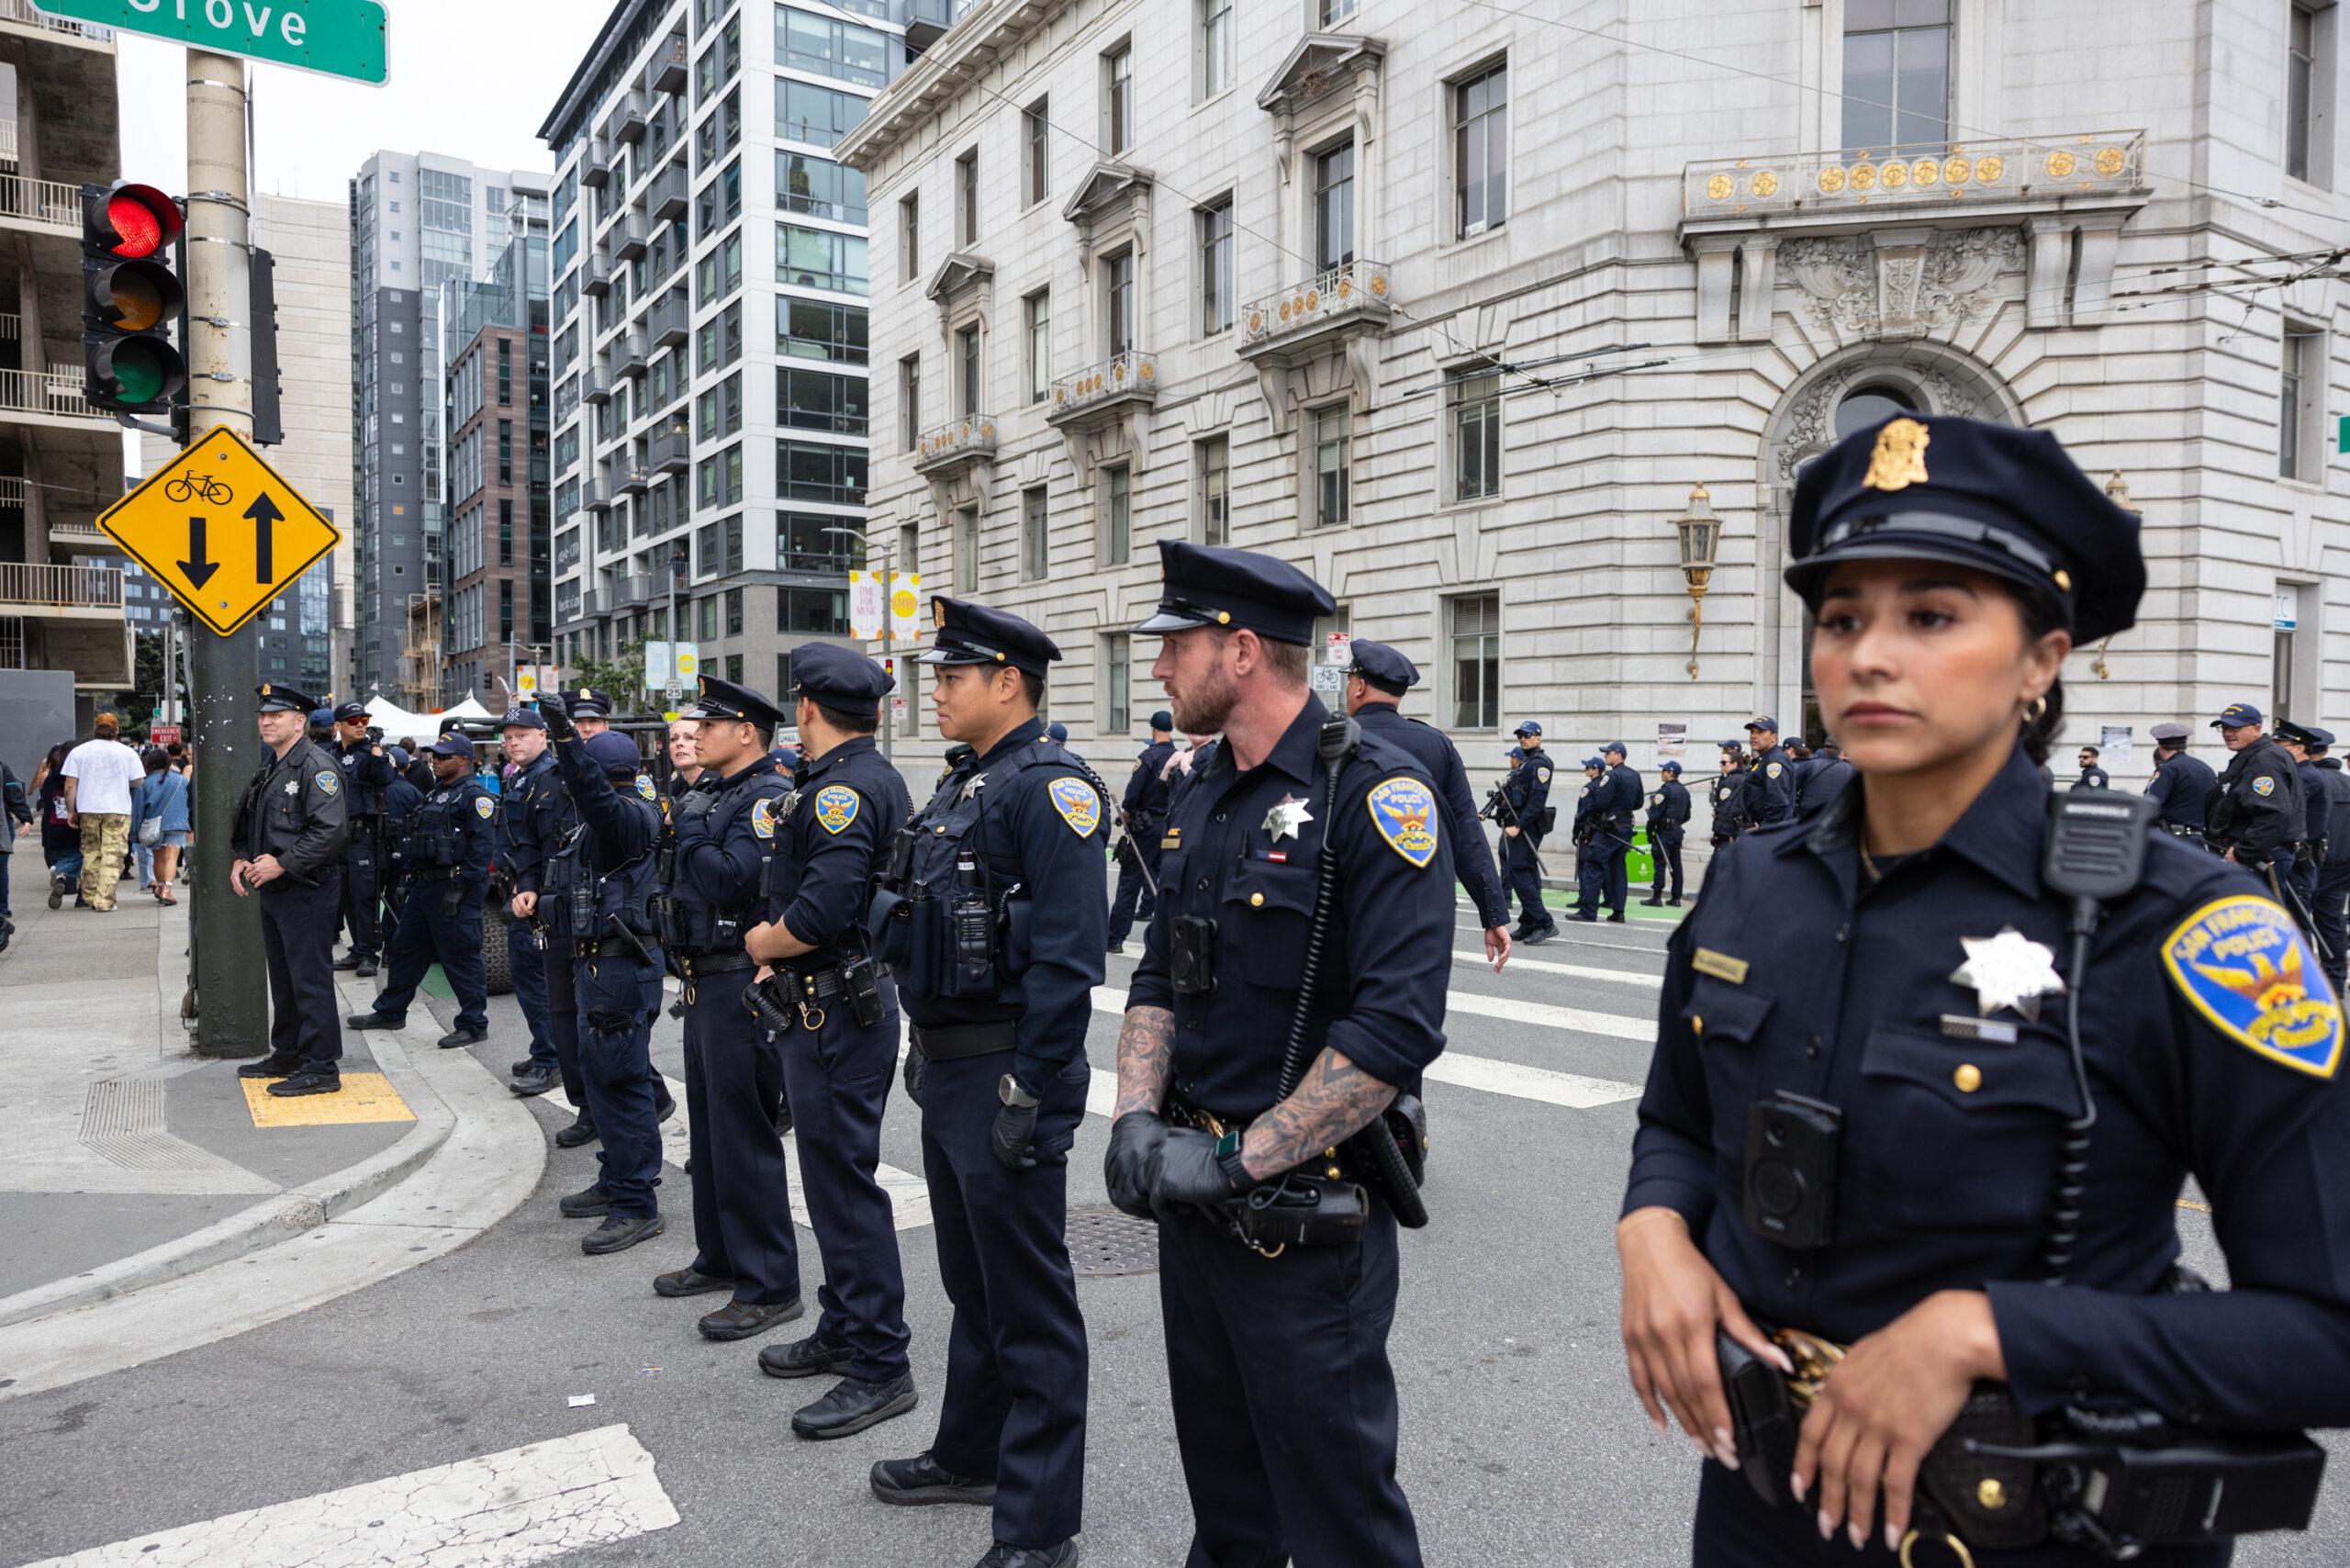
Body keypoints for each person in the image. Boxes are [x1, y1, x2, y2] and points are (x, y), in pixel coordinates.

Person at [1617, 411, 2350, 1567]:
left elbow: (2325, 1330)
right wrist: (1652, 1227)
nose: (1866, 653)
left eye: (1931, 615)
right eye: (1842, 616)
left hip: (2026, 1532)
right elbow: (1675, 1115)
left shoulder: (2189, 926)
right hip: (1761, 1513)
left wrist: (1994, 1330)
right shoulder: (1750, 884)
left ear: (2041, 659)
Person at [1104, 539, 1452, 1568]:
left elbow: (1393, 1029)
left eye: (1176, 645)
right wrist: (1132, 1117)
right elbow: (1161, 974)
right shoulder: (1201, 790)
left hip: (1302, 1220)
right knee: (1226, 1498)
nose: (1160, 668)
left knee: (1341, 1512)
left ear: (1243, 650)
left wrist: (1239, 1158)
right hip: (1192, 1204)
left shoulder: (1375, 796)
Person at [868, 596, 1106, 1568]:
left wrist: (1033, 1089)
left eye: (951, 677)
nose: (934, 692)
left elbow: (1067, 960)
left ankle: (1040, 1527)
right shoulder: (966, 785)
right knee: (974, 1282)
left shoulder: (1049, 788)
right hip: (951, 1064)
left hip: (1010, 1070)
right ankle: (972, 1452)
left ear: (1008, 682)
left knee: (1029, 1300)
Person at [743, 644, 918, 1439]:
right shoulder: (845, 779)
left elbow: (822, 913)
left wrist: (760, 944)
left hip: (836, 1011)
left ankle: (881, 1363)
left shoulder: (845, 789)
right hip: (825, 1009)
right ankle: (844, 1325)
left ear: (807, 707)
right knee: (828, 1181)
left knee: (844, 1187)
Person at [656, 674, 801, 1341]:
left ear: (746, 733)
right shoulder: (717, 792)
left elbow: (731, 878)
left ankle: (770, 1285)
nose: (694, 738)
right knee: (710, 1139)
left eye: (708, 726)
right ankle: (720, 1258)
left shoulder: (765, 795)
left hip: (740, 981)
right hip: (701, 978)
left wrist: (688, 831)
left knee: (743, 1140)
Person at [535, 697, 671, 1256]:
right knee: (602, 1081)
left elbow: (593, 796)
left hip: (620, 969)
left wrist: (566, 740)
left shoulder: (624, 816)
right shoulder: (601, 822)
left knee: (621, 1083)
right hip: (598, 964)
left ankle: (637, 1204)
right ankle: (616, 1177)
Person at [1343, 642, 1512, 967]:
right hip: (1421, 911)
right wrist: (1492, 914)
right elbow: (1466, 829)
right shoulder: (1437, 745)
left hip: (1350, 906)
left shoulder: (1330, 738)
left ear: (1360, 686)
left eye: (1350, 681)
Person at [229, 685, 351, 1096]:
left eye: (276, 715)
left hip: (308, 888)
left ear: (300, 721)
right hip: (278, 887)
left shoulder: (317, 766)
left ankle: (321, 1066)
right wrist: (244, 857)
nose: (266, 721)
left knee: (310, 978)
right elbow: (254, 823)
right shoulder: (272, 765)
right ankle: (290, 1052)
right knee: (284, 977)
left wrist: (282, 862)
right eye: (263, 715)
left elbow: (331, 832)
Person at [346, 734, 493, 1049]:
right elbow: (417, 839)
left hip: (455, 889)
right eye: (433, 755)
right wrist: (405, 882)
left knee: (461, 957)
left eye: (443, 756)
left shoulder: (475, 797)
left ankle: (473, 1023)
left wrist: (461, 887)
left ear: (464, 760)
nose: (435, 761)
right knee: (405, 948)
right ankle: (391, 1011)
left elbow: (481, 851)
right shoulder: (435, 794)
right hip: (425, 887)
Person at [495, 704, 572, 1105]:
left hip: (538, 898)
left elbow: (551, 846)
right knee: (528, 981)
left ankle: (551, 1057)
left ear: (543, 736)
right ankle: (544, 1048)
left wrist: (535, 892)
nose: (513, 743)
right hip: (521, 891)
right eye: (508, 737)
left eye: (521, 735)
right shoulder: (521, 777)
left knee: (538, 983)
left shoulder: (549, 777)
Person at [2203, 701, 2303, 911]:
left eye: (2235, 728)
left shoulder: (2263, 761)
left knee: (2256, 922)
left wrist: (2242, 852)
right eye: (2225, 728)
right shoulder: (2253, 756)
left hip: (2260, 856)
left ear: (2256, 729)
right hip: (2257, 853)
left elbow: (2274, 814)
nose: (2228, 734)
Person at [327, 702, 397, 978]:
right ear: (338, 726)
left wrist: (377, 746)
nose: (361, 724)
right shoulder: (329, 753)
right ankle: (358, 949)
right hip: (336, 836)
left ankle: (369, 952)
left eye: (364, 719)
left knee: (364, 895)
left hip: (363, 836)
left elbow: (386, 777)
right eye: (353, 720)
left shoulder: (372, 753)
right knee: (344, 895)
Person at [1106, 711, 1178, 954]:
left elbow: (1133, 796)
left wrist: (1125, 816)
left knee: (1130, 882)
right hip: (1171, 829)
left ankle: (1115, 938)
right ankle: (1167, 940)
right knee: (1163, 881)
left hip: (1145, 829)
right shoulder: (1180, 757)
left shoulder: (1147, 758)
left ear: (1153, 729)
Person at [61, 713, 143, 912]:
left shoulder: (79, 752)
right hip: (117, 809)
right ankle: (104, 900)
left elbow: (70, 786)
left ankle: (89, 895)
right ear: (116, 731)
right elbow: (139, 781)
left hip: (88, 809)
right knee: (112, 854)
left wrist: (71, 811)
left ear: (95, 729)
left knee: (90, 852)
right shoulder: (127, 752)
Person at [2302, 725, 2350, 994]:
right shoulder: (2346, 782)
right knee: (2332, 922)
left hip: (2311, 862)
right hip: (2342, 865)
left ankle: (2308, 982)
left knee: (2300, 921)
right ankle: (2335, 982)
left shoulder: (2309, 780)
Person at [1501, 720, 1556, 941]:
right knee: (1527, 872)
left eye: (1527, 735)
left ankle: (1544, 922)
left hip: (1528, 825)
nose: (1523, 738)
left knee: (1519, 870)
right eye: (1520, 735)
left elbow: (1536, 801)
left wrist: (1518, 826)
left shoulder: (1540, 763)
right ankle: (1529, 922)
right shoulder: (1527, 762)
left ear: (1538, 738)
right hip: (1522, 822)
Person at [1575, 741, 1640, 923]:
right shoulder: (1635, 775)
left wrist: (1583, 814)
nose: (1606, 756)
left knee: (1594, 865)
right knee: (1618, 868)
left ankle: (1588, 911)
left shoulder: (1611, 776)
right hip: (1626, 826)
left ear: (1618, 755)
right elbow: (1639, 802)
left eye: (1608, 753)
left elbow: (1600, 802)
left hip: (1609, 828)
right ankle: (1618, 911)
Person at [2273, 720, 2333, 910]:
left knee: (2296, 920)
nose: (2274, 750)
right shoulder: (2297, 773)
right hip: (2295, 855)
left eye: (2280, 746)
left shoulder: (2305, 777)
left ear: (2299, 748)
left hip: (2299, 858)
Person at [130, 748, 191, 905]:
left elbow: (137, 809)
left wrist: (134, 833)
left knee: (158, 859)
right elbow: (189, 803)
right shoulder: (181, 781)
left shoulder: (144, 783)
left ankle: (159, 887)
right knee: (171, 858)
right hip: (177, 823)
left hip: (153, 826)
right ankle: (167, 890)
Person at [2143, 722, 2215, 841]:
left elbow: (2151, 802)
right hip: (2201, 839)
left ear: (2160, 747)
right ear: (2185, 745)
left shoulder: (2167, 769)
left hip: (2174, 840)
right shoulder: (2204, 768)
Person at [35, 743, 81, 907]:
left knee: (62, 858)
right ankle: (82, 895)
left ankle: (60, 878)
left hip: (55, 826)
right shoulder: (78, 780)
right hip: (76, 825)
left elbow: (47, 806)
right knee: (83, 858)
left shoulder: (49, 780)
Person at [1640, 759, 1691, 907]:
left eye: (1664, 771)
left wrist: (1649, 832)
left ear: (1670, 773)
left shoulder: (1664, 791)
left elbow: (1654, 815)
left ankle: (1656, 896)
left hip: (1664, 833)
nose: (1662, 773)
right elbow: (1687, 815)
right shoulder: (1684, 791)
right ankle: (1676, 897)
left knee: (1660, 864)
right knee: (1676, 864)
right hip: (1677, 832)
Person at [1739, 715, 1796, 830]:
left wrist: (1763, 830)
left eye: (1760, 732)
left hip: (1770, 830)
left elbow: (1777, 803)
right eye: (1752, 732)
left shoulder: (1774, 762)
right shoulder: (1764, 759)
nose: (1754, 736)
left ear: (1773, 737)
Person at [0, 754, 32, 944]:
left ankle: (2, 911)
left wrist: (26, 818)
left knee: (1, 868)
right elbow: (14, 795)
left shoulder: (2, 769)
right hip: (4, 825)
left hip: (2, 826)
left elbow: (14, 795)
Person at [1795, 739, 1854, 817]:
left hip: (1809, 817)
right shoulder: (1851, 770)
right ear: (1841, 752)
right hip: (1838, 817)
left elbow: (1793, 789)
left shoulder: (1808, 766)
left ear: (1824, 750)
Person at [1707, 743, 1749, 851]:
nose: (1721, 765)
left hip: (1728, 832)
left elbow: (1726, 808)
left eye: (1724, 763)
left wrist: (1719, 832)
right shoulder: (1743, 777)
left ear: (1734, 764)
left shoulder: (1730, 781)